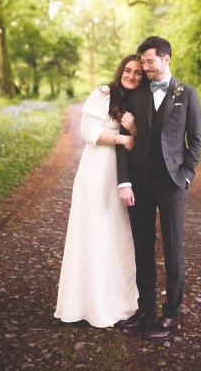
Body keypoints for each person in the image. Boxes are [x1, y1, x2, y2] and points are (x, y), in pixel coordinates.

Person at [117, 36, 201, 340]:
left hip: (171, 183)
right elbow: (123, 142)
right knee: (143, 248)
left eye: (149, 61)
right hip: (139, 183)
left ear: (166, 59)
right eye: (142, 61)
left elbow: (195, 141)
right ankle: (145, 310)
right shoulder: (136, 93)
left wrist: (187, 175)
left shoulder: (187, 94)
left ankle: (172, 315)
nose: (144, 67)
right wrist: (124, 180)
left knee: (172, 248)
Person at [54, 54, 144, 328]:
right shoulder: (104, 93)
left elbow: (143, 139)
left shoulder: (138, 100)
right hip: (96, 173)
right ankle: (84, 304)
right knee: (92, 232)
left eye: (138, 73)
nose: (131, 75)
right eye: (128, 70)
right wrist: (123, 137)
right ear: (120, 71)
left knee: (116, 235)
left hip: (121, 175)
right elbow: (88, 132)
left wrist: (134, 129)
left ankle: (114, 300)